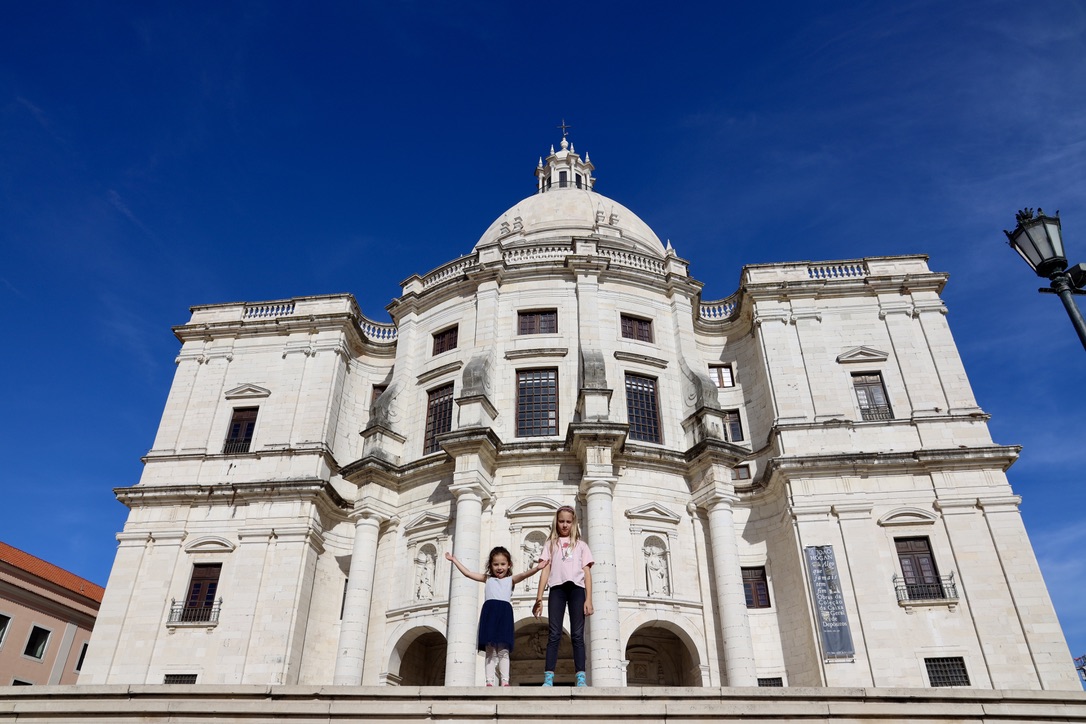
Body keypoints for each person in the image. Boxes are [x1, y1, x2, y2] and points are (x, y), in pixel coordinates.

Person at [446, 547, 548, 686]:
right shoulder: (487, 579)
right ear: (490, 566)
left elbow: (524, 574)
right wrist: (454, 560)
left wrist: (537, 568)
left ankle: (505, 681)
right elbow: (468, 574)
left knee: (503, 650)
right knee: (490, 650)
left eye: (503, 564)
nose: (499, 567)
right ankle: (489, 681)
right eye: (496, 564)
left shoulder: (510, 580)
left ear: (509, 565)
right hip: (490, 614)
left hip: (504, 614)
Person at [532, 505, 594, 687]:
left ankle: (580, 676)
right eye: (561, 521)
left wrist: (589, 599)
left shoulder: (581, 546)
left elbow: (587, 573)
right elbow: (545, 571)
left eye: (568, 521)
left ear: (573, 522)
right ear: (556, 522)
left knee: (577, 634)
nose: (565, 525)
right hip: (557, 589)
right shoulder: (550, 545)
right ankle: (549, 677)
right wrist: (539, 598)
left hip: (577, 589)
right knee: (554, 633)